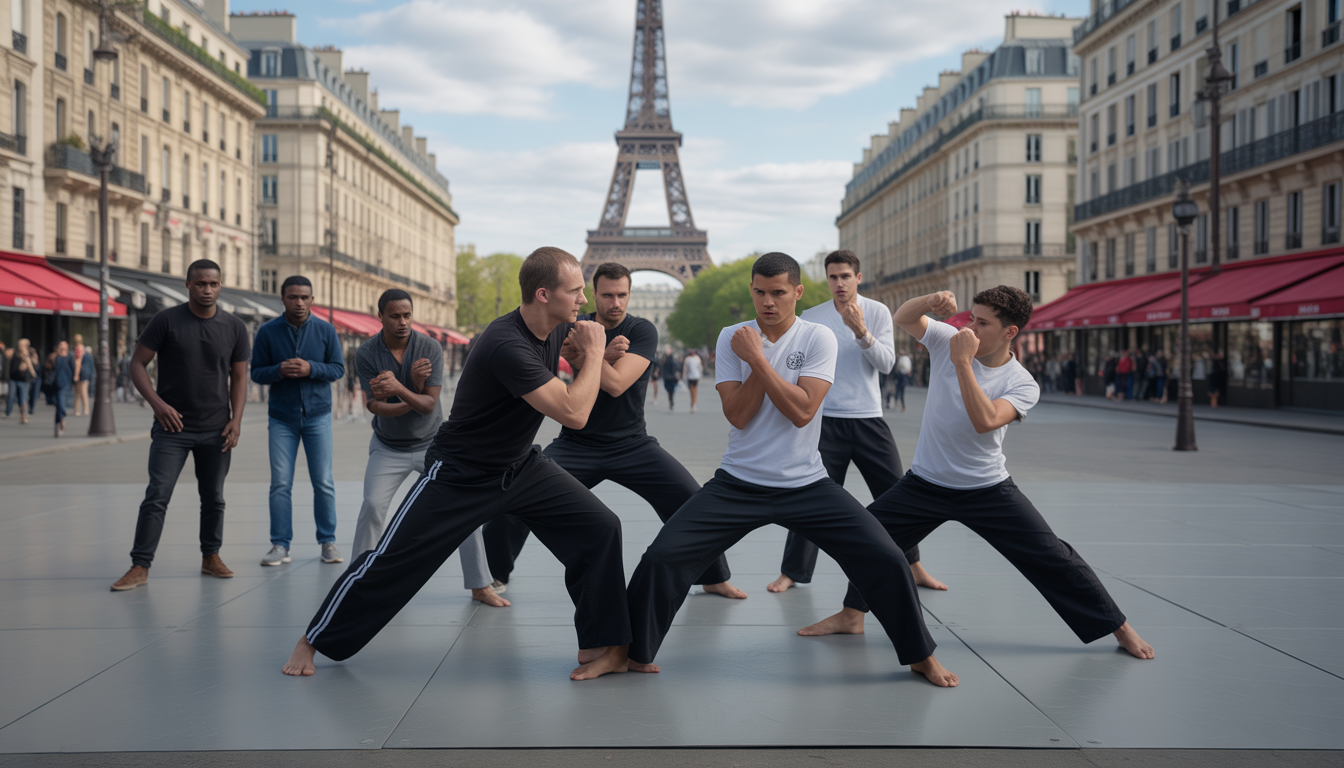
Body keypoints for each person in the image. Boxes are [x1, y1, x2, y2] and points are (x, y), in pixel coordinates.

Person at [282, 247, 635, 681]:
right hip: (461, 472)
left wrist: (593, 354)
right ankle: (313, 638)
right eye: (576, 290)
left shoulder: (550, 330)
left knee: (601, 527)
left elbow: (574, 374)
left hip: (520, 466)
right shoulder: (506, 343)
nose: (585, 300)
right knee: (394, 561)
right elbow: (574, 413)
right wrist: (597, 353)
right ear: (544, 294)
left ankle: (601, 647)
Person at [623, 252, 959, 687]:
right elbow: (739, 416)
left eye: (778, 292)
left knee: (887, 557)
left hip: (806, 483)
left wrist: (758, 360)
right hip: (737, 482)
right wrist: (754, 356)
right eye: (760, 292)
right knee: (662, 558)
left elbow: (802, 412)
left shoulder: (818, 337)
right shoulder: (731, 337)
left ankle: (920, 656)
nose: (768, 302)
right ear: (751, 291)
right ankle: (628, 652)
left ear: (797, 292)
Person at [796, 287, 1155, 663]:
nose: (970, 328)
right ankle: (853, 615)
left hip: (987, 488)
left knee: (1054, 557)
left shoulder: (1021, 382)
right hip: (925, 483)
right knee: (869, 538)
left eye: (982, 323)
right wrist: (931, 303)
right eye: (971, 318)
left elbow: (984, 421)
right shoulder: (948, 338)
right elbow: (904, 318)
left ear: (1010, 333)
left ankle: (1120, 627)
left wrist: (963, 364)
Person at [483, 262, 745, 600]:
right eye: (607, 295)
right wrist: (598, 355)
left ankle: (713, 575)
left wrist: (583, 358)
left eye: (622, 295)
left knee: (689, 500)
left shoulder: (642, 330)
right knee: (515, 500)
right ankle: (492, 576)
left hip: (632, 444)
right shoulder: (571, 326)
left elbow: (618, 384)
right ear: (593, 294)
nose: (615, 302)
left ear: (630, 294)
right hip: (576, 443)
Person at [767, 250, 944, 595]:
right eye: (832, 277)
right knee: (809, 497)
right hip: (825, 421)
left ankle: (914, 564)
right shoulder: (812, 317)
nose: (839, 283)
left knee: (896, 493)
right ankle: (792, 571)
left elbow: (887, 365)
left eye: (845, 276)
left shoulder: (876, 311)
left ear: (857, 278)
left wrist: (861, 331)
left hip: (867, 418)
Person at [351, 289, 506, 607]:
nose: (403, 322)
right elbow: (374, 406)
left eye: (407, 315)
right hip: (387, 446)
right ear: (380, 317)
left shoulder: (429, 347)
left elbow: (429, 405)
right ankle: (356, 581)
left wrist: (398, 389)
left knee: (465, 507)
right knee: (371, 507)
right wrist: (411, 391)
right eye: (395, 316)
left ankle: (480, 584)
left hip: (434, 445)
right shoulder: (366, 353)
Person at [111, 260, 249, 591]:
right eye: (200, 283)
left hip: (216, 428)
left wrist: (237, 420)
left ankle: (210, 557)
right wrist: (158, 405)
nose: (207, 289)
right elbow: (137, 364)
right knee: (157, 495)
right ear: (187, 285)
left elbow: (240, 376)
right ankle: (140, 565)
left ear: (220, 285)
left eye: (213, 284)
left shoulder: (234, 327)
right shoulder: (166, 320)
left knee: (214, 497)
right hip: (172, 429)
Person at [250, 276, 346, 567]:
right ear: (283, 299)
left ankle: (328, 541)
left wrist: (310, 368)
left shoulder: (326, 330)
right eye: (293, 297)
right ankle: (280, 545)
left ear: (312, 299)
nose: (300, 302)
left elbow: (338, 369)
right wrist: (278, 370)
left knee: (324, 482)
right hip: (282, 418)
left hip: (318, 415)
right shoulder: (267, 332)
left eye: (305, 297)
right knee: (280, 483)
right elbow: (256, 373)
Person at [6, 339, 34, 423]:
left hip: (24, 380)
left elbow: (32, 367)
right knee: (11, 396)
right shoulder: (14, 354)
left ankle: (23, 415)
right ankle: (8, 411)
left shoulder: (28, 355)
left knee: (23, 398)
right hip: (14, 379)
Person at [51, 341, 75, 437]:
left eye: (64, 346)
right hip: (55, 384)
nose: (62, 348)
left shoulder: (69, 357)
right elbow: (48, 368)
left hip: (65, 383)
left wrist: (74, 379)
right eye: (60, 346)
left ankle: (61, 420)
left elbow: (73, 368)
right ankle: (58, 425)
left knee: (61, 403)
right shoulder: (54, 356)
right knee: (57, 405)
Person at [73, 333, 94, 417]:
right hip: (85, 375)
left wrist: (76, 374)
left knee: (79, 393)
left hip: (81, 374)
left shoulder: (78, 349)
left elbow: (78, 363)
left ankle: (79, 410)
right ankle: (84, 409)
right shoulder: (84, 350)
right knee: (83, 392)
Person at [682, 348, 702, 413]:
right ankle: (694, 403)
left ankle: (693, 403)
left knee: (692, 390)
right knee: (694, 390)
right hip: (696, 376)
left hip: (691, 376)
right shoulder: (697, 358)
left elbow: (685, 368)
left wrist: (684, 376)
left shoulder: (687, 359)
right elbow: (700, 367)